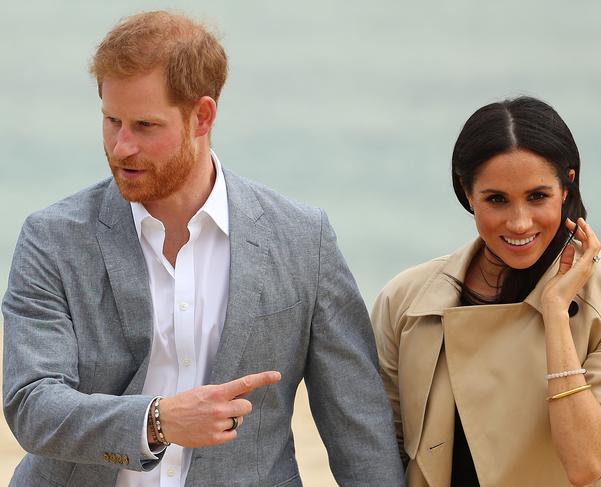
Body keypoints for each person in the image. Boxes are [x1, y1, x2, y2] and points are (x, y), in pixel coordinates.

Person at [2, 11, 405, 487]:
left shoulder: (302, 239)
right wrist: (158, 422)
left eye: (145, 126)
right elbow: (32, 404)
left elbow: (357, 425)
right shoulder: (53, 238)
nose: (121, 146)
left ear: (203, 116)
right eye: (112, 121)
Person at [372, 96, 601, 487]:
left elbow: (586, 464)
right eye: (496, 199)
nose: (519, 223)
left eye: (538, 196)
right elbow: (381, 454)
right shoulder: (406, 301)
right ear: (467, 193)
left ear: (566, 187)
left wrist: (553, 311)